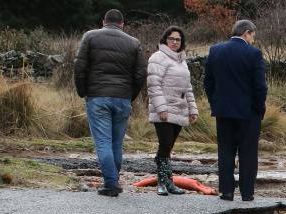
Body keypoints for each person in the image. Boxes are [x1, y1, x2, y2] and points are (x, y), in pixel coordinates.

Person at [73, 9, 147, 197]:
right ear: (122, 24)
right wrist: (130, 95)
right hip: (122, 99)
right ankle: (113, 179)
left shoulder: (90, 36)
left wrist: (83, 91)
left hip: (97, 97)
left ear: (103, 21)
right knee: (116, 142)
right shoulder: (134, 42)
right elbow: (140, 74)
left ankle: (111, 183)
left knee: (103, 142)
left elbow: (79, 66)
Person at [204, 19, 267, 202]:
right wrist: (259, 107)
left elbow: (208, 82)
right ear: (246, 32)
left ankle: (226, 191)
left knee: (225, 151)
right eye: (253, 36)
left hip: (223, 111)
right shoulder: (253, 53)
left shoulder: (215, 50)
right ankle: (247, 193)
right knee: (248, 153)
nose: (253, 40)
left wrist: (215, 102)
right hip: (248, 112)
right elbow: (260, 86)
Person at [147, 26, 199, 196]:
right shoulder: (158, 57)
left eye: (178, 39)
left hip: (180, 109)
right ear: (165, 39)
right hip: (164, 110)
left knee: (168, 148)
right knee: (165, 145)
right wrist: (161, 108)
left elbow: (188, 88)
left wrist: (193, 109)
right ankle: (162, 183)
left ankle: (169, 182)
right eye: (171, 39)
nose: (175, 42)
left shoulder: (181, 60)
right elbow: (153, 85)